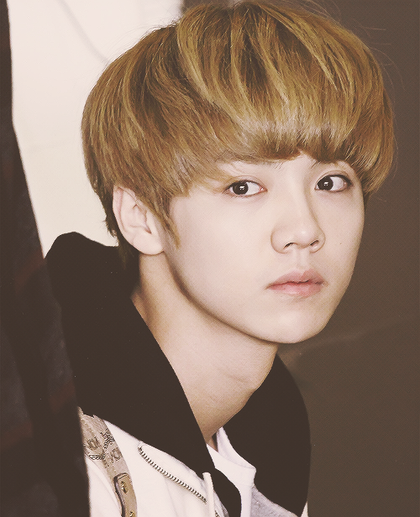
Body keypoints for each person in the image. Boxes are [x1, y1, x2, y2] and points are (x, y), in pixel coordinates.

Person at [46, 2, 394, 516]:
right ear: (141, 217)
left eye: (330, 181)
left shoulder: (265, 446)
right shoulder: (60, 469)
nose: (305, 230)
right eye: (243, 186)